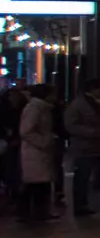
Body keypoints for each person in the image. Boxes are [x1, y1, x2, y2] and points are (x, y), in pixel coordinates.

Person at [64, 79, 100, 216]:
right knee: (82, 176)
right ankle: (80, 205)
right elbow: (71, 126)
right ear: (93, 89)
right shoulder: (78, 105)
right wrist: (95, 132)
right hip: (85, 147)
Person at [16, 85, 59, 222]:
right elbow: (26, 131)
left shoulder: (42, 108)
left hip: (39, 151)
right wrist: (45, 141)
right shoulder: (34, 109)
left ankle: (39, 212)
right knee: (35, 183)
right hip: (35, 151)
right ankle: (31, 213)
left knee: (40, 183)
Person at [0, 86, 24, 203]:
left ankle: (13, 191)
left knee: (13, 168)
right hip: (7, 143)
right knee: (8, 167)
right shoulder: (6, 111)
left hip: (14, 143)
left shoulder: (21, 110)